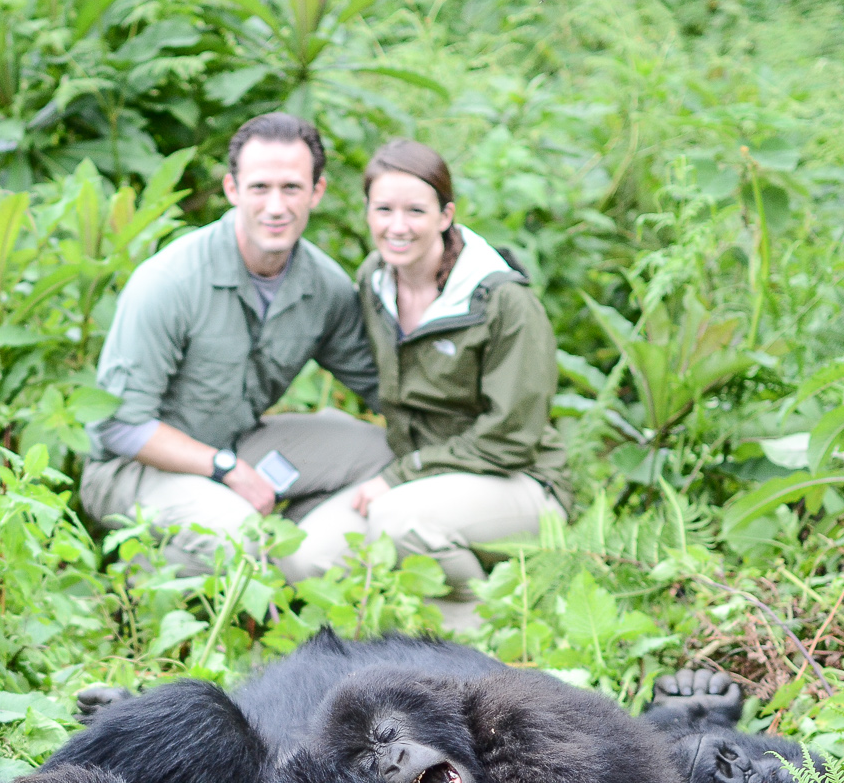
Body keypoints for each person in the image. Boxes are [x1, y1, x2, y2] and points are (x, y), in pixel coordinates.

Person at [82, 113, 389, 575]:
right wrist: (224, 468)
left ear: (316, 192)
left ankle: (298, 556)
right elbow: (120, 427)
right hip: (135, 469)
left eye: (291, 188)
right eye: (260, 187)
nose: (276, 206)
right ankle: (138, 571)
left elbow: (383, 386)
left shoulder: (325, 285)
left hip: (238, 446)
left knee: (384, 451)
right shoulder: (171, 280)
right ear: (232, 189)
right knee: (239, 535)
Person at [283, 139, 569, 624]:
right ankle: (389, 635)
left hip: (518, 482)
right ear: (368, 213)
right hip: (424, 476)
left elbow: (509, 442)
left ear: (445, 215)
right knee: (304, 559)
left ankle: (486, 624)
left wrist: (398, 476)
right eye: (384, 209)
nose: (398, 226)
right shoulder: (376, 280)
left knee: (400, 521)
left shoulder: (501, 302)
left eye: (416, 210)